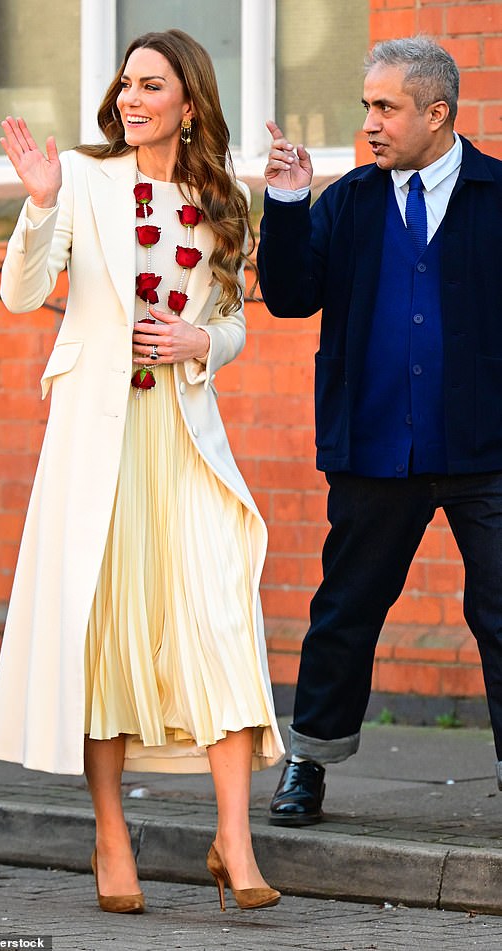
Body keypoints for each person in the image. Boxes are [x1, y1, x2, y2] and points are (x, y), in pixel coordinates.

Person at [0, 29, 284, 913]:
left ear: (190, 103)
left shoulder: (224, 197)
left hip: (185, 438)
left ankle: (235, 840)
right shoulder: (82, 179)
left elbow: (232, 320)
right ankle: (111, 838)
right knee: (108, 632)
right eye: (126, 84)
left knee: (222, 619)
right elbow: (22, 293)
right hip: (99, 444)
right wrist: (41, 203)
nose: (131, 98)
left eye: (152, 85)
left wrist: (203, 342)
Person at [258, 35, 502, 826]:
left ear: (437, 112)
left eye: (386, 107)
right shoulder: (350, 202)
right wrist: (288, 202)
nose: (370, 122)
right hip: (371, 446)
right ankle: (308, 761)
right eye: (367, 105)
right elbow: (290, 297)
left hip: (485, 450)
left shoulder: (497, 195)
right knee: (345, 610)